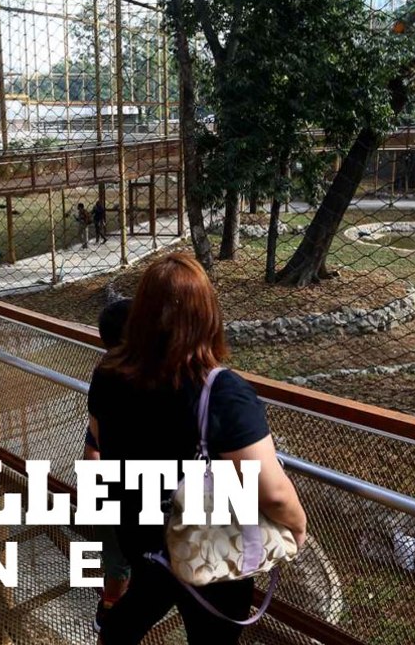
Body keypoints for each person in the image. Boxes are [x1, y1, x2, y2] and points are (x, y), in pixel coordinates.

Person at [87, 252, 307, 645]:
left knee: (140, 602)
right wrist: (297, 525)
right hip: (206, 545)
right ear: (207, 317)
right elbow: (272, 492)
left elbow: (102, 443)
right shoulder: (222, 392)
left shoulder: (109, 372)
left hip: (141, 533)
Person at [85, 297, 132, 633]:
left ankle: (111, 609)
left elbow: (93, 438)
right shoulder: (125, 378)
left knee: (117, 560)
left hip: (111, 483)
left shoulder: (104, 372)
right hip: (121, 488)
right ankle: (111, 612)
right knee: (117, 561)